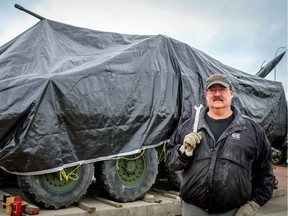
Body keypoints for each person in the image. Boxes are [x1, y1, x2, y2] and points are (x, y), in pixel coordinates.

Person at [165, 73, 274, 216]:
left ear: (231, 93)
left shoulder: (252, 130)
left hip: (233, 211)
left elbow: (266, 173)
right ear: (206, 95)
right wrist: (183, 151)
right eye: (212, 90)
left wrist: (254, 204)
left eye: (222, 89)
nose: (217, 94)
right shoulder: (189, 127)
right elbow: (171, 164)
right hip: (193, 209)